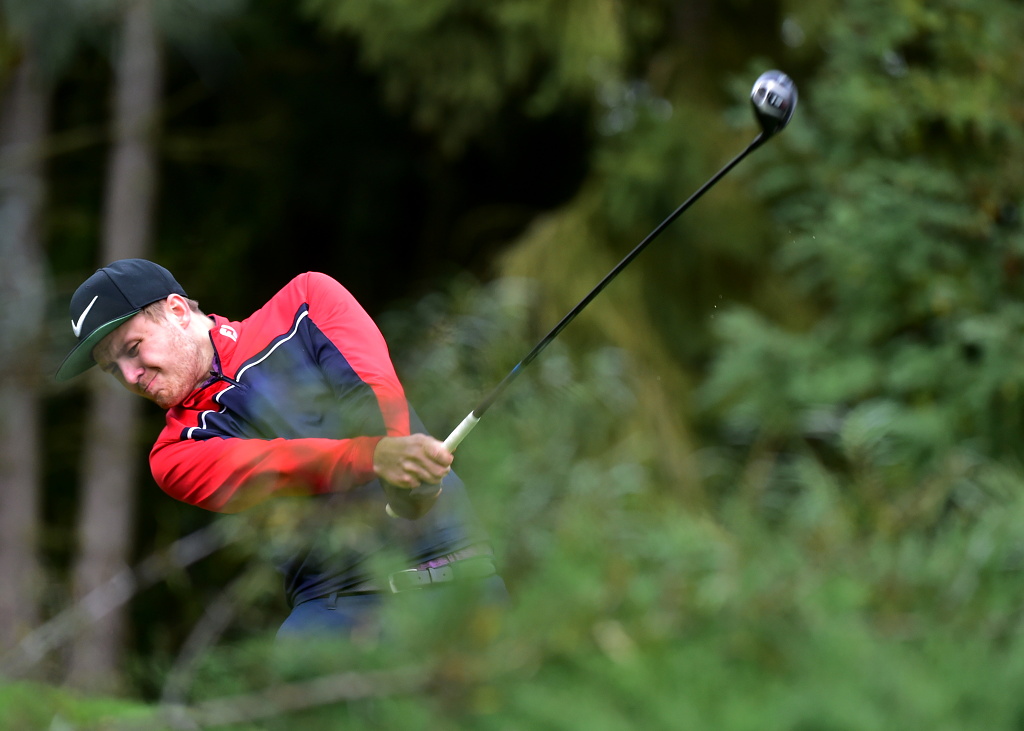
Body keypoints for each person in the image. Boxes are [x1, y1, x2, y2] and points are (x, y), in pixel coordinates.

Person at [56, 258, 505, 639]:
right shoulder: (173, 454)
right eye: (112, 369)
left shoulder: (305, 303)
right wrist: (376, 458)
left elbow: (371, 392)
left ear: (176, 311)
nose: (130, 376)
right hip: (336, 609)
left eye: (133, 349)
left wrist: (401, 462)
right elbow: (276, 466)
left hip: (459, 574)